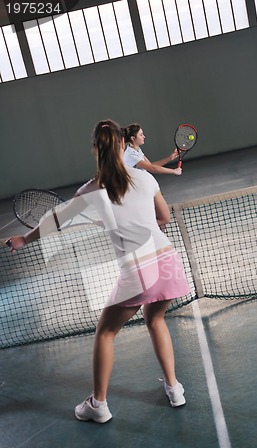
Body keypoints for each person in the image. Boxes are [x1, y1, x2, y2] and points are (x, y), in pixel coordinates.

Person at [6, 119, 190, 424]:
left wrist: (24, 239)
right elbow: (164, 217)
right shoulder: (144, 178)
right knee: (156, 320)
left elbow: (55, 220)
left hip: (139, 269)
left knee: (106, 332)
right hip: (168, 260)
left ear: (96, 149)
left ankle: (98, 404)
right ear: (123, 144)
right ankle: (175, 389)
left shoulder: (92, 188)